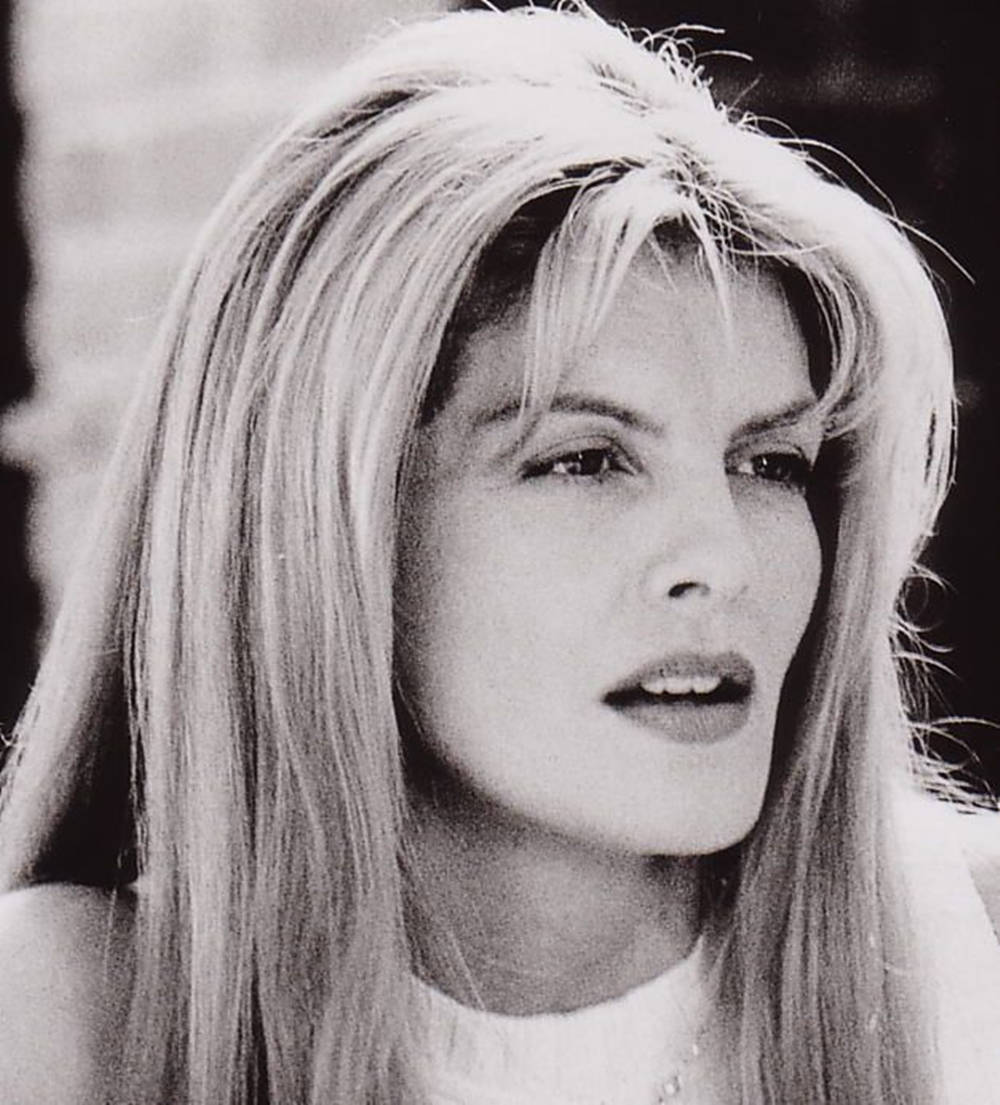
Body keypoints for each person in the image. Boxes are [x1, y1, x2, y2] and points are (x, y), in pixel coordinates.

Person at [0, 4, 997, 1103]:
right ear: (329, 528)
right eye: (585, 460)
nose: (725, 561)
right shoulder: (68, 1023)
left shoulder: (974, 952)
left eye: (769, 462)